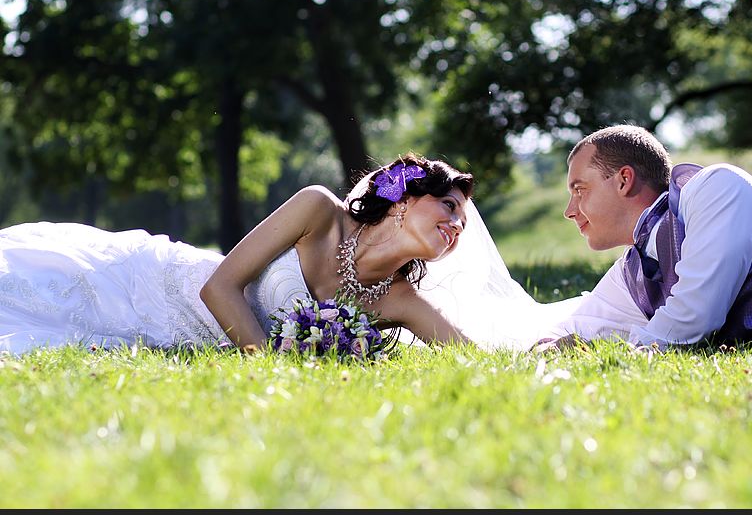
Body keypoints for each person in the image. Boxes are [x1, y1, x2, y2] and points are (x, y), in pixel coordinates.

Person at [0, 154, 479, 353]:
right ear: (405, 201)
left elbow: (469, 355)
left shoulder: (398, 301)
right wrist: (266, 363)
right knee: (45, 289)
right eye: (449, 206)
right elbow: (219, 286)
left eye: (463, 218)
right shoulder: (318, 209)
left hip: (193, 340)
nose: (457, 224)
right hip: (166, 285)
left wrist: (555, 347)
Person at [539, 124, 752, 349]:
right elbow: (577, 327)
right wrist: (549, 347)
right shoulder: (633, 273)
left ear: (624, 180)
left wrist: (629, 352)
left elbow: (694, 317)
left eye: (579, 189)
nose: (570, 210)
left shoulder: (716, 187)